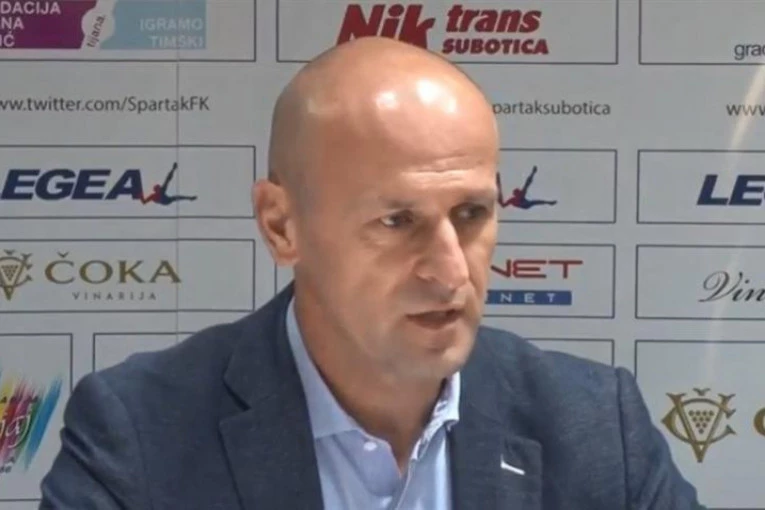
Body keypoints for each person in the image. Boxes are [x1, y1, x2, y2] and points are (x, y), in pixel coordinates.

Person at [38, 36, 705, 509]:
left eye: (471, 213)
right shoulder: (141, 431)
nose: (450, 270)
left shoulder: (595, 426)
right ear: (281, 225)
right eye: (396, 221)